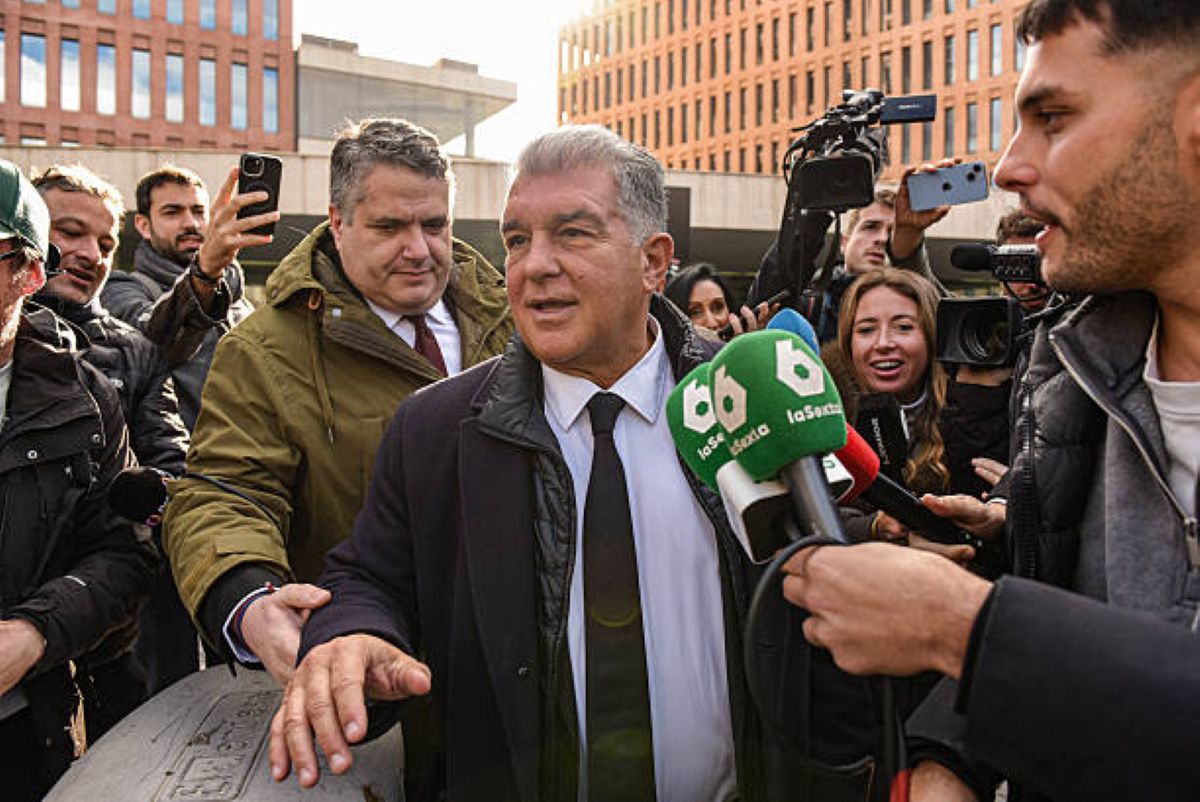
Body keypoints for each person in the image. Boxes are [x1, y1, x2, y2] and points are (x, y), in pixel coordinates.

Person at [269, 125, 883, 802]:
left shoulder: (749, 396)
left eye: (573, 234)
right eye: (516, 240)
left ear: (654, 262)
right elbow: (369, 578)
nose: (534, 266)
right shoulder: (434, 430)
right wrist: (350, 634)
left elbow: (828, 593)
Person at [781, 1, 1200, 800]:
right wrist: (950, 756)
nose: (1007, 166)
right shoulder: (1068, 373)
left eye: (1053, 118)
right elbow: (1076, 612)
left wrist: (966, 631)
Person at [163, 118, 513, 683]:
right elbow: (224, 496)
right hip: (366, 678)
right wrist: (251, 601)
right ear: (338, 222)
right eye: (389, 227)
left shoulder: (516, 319)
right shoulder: (263, 352)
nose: (418, 250)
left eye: (434, 225)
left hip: (514, 669)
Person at [0, 159, 156, 801]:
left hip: (26, 734)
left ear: (30, 272)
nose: (93, 253)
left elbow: (123, 554)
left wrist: (34, 633)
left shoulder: (85, 399)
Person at [29, 164, 191, 723]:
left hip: (110, 635)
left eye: (104, 243)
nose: (90, 255)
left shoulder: (136, 352)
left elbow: (171, 464)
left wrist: (154, 499)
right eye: (69, 232)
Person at [101, 164, 262, 430]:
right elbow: (154, 345)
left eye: (198, 211)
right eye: (172, 212)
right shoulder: (121, 289)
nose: (191, 223)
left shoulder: (240, 303)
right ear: (143, 225)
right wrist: (205, 273)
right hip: (180, 452)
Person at [748, 176, 951, 344]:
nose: (882, 239)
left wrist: (908, 246)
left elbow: (947, 327)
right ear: (844, 242)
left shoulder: (918, 303)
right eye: (870, 227)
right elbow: (761, 304)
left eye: (892, 232)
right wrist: (818, 207)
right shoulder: (809, 304)